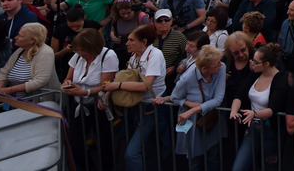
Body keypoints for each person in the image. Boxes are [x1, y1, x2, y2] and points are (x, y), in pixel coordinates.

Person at [101, 24, 171, 171]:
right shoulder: (134, 57)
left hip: (152, 109)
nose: (127, 43)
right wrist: (109, 92)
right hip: (138, 108)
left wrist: (117, 86)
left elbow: (146, 86)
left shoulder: (155, 55)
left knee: (132, 154)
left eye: (131, 40)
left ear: (144, 42)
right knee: (148, 150)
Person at [156, 46, 226, 171]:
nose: (220, 65)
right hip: (193, 123)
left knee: (213, 156)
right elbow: (175, 97)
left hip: (210, 119)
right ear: (204, 69)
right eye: (216, 64)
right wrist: (189, 103)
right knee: (194, 159)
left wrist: (194, 109)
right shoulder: (187, 78)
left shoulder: (221, 68)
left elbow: (218, 99)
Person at [62, 28, 119, 170]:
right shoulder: (77, 57)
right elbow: (66, 79)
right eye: (78, 51)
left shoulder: (108, 55)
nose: (80, 54)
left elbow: (105, 86)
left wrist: (83, 92)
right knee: (75, 143)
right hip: (79, 106)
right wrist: (67, 85)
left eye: (83, 51)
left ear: (93, 48)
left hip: (99, 105)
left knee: (104, 144)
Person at [228, 43, 289, 171]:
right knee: (238, 167)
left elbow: (272, 109)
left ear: (266, 64)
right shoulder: (256, 73)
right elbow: (240, 94)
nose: (252, 63)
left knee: (270, 167)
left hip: (270, 131)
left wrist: (254, 113)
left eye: (256, 61)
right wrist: (234, 111)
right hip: (252, 129)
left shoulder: (281, 79)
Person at [0, 22, 61, 99]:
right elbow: (3, 73)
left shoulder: (46, 53)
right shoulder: (20, 50)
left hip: (40, 104)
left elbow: (40, 81)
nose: (15, 38)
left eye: (20, 36)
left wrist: (9, 90)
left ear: (32, 40)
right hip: (16, 103)